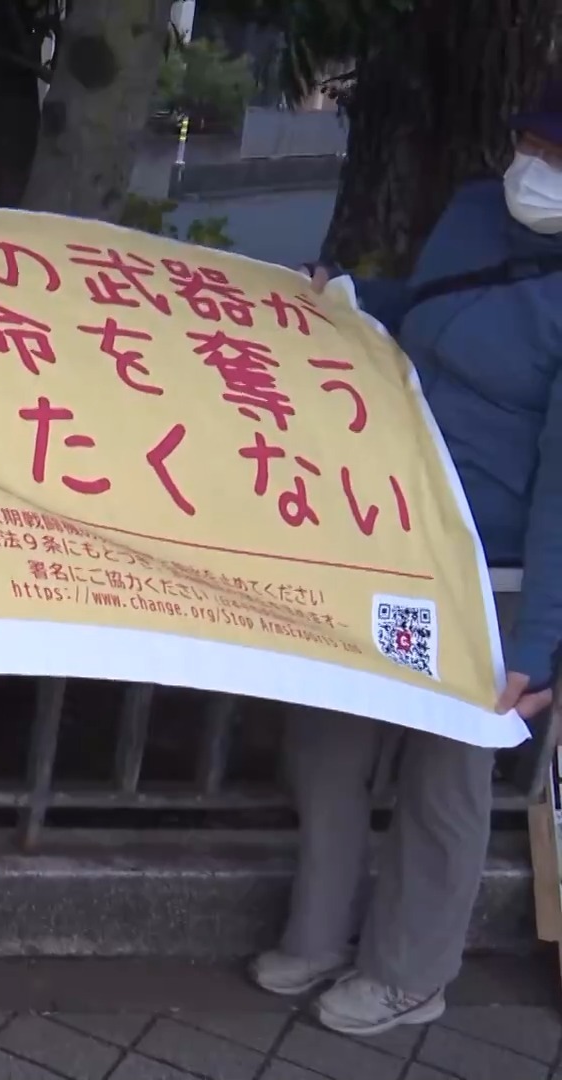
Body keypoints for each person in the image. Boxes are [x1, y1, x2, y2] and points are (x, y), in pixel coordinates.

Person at [253, 78, 562, 1037]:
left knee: (444, 777)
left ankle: (409, 974)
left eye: (558, 158)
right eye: (530, 144)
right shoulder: (473, 215)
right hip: (385, 532)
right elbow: (420, 312)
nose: (534, 169)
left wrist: (538, 644)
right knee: (328, 738)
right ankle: (318, 935)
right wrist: (345, 295)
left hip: (492, 574)